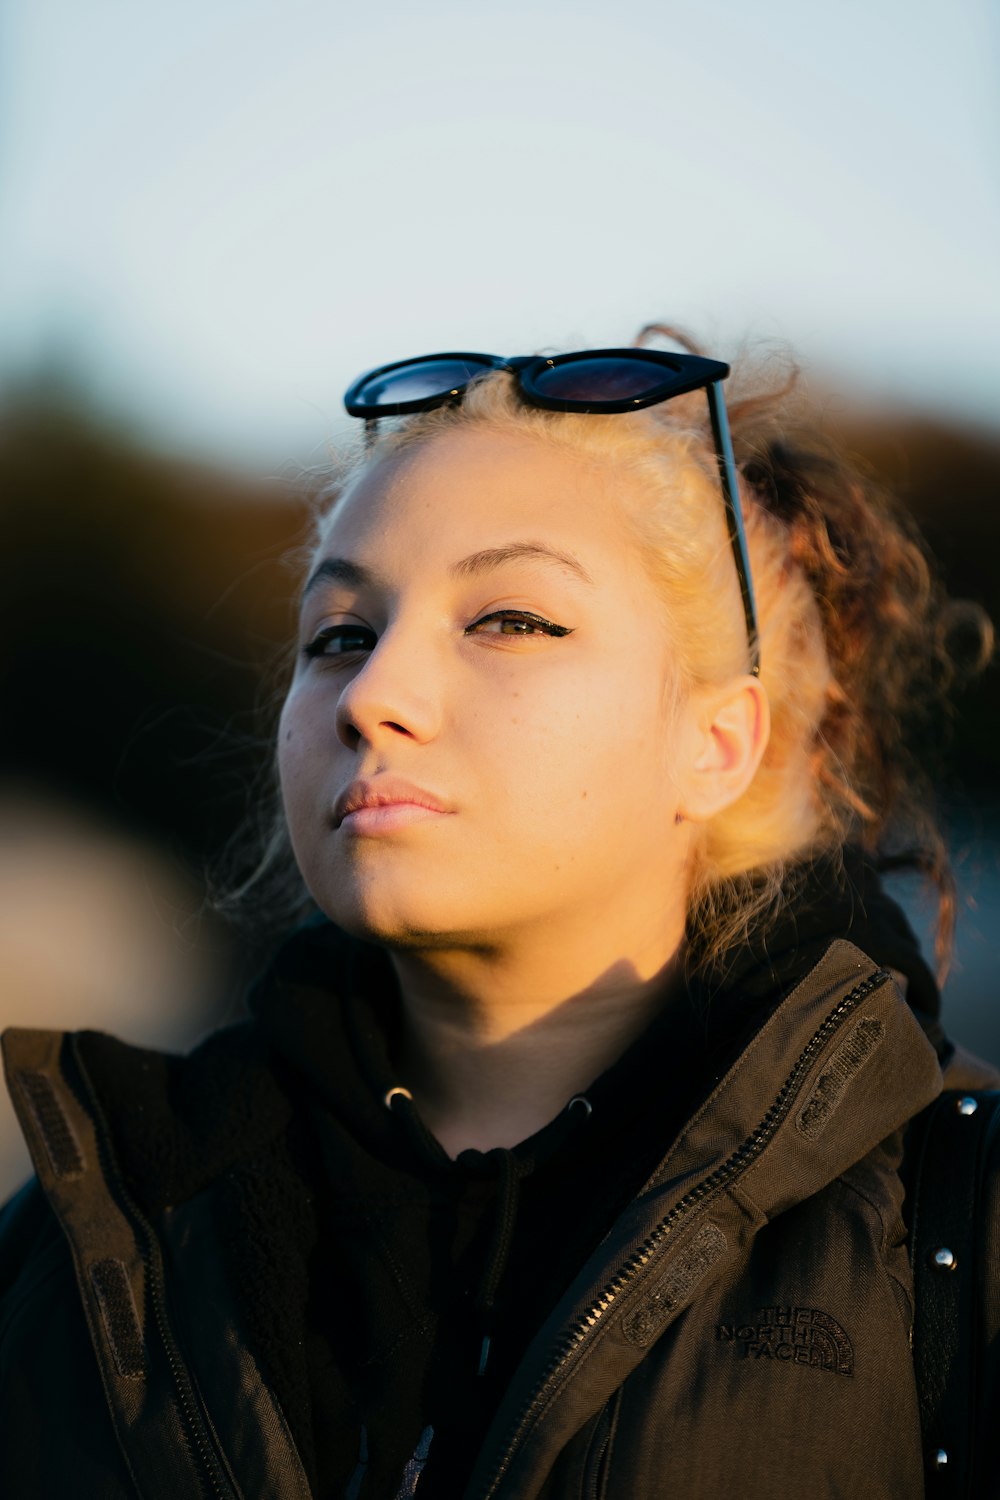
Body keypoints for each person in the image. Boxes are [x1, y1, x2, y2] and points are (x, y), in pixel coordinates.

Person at [0, 329, 995, 1498]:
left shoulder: (952, 1225)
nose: (373, 697)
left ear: (716, 743)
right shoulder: (93, 1235)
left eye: (509, 620)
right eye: (340, 635)